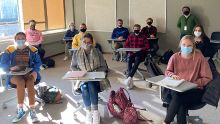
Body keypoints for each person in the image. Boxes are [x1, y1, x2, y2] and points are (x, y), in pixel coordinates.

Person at [163, 35, 213, 124]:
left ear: (193, 46)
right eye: (184, 45)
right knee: (180, 102)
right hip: (177, 87)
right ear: (180, 45)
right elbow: (167, 71)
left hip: (194, 90)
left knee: (179, 99)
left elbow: (208, 77)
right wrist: (172, 75)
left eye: (189, 45)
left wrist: (194, 83)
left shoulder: (199, 58)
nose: (186, 47)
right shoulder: (174, 57)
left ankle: (166, 122)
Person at [0, 32, 42, 123]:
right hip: (14, 75)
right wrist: (10, 67)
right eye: (18, 38)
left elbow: (38, 62)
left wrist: (35, 71)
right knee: (20, 82)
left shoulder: (32, 49)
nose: (20, 40)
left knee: (30, 82)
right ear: (15, 40)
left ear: (25, 39)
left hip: (28, 73)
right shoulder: (9, 50)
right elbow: (2, 64)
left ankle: (32, 109)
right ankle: (20, 109)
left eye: (22, 38)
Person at [70, 33, 110, 124]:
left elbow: (104, 67)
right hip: (82, 78)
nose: (87, 44)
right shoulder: (77, 52)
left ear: (92, 43)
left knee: (91, 84)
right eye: (84, 42)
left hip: (96, 78)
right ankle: (88, 112)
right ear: (81, 42)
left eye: (89, 42)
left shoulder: (97, 52)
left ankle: (95, 112)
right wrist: (82, 73)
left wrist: (93, 73)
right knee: (84, 88)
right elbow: (73, 67)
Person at [123, 24, 149, 89]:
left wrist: (140, 49)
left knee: (137, 61)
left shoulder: (143, 37)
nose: (136, 30)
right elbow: (126, 45)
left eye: (137, 29)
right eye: (135, 28)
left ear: (140, 29)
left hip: (140, 53)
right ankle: (130, 80)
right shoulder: (130, 36)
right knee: (129, 61)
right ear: (133, 29)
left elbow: (147, 46)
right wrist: (131, 50)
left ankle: (129, 78)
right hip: (131, 53)